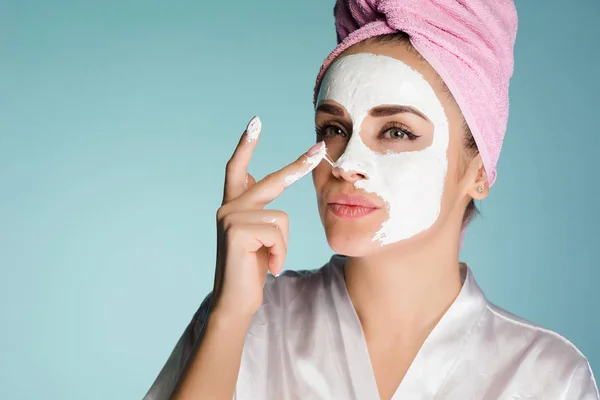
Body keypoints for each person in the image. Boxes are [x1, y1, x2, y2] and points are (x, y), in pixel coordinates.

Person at [143, 1, 599, 399]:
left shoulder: (549, 378)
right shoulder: (240, 323)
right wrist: (228, 318)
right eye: (334, 130)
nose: (345, 164)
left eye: (396, 132)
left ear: (479, 173)